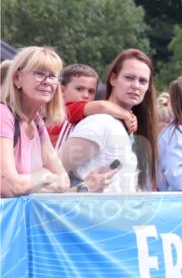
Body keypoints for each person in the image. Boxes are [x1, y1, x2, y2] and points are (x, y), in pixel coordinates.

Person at [1, 47, 113, 196]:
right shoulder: (4, 115)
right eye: (39, 74)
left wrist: (31, 184)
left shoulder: (37, 122)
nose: (47, 81)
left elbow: (64, 181)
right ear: (17, 78)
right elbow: (8, 186)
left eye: (52, 76)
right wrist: (44, 175)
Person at [60, 49, 159, 192]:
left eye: (143, 81)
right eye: (129, 78)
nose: (136, 85)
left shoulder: (126, 127)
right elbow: (50, 176)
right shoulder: (99, 123)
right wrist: (84, 189)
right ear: (113, 79)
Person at [48, 63, 137, 148]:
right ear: (62, 91)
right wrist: (126, 115)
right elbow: (101, 106)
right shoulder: (67, 108)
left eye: (91, 91)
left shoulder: (86, 113)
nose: (86, 95)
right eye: (79, 89)